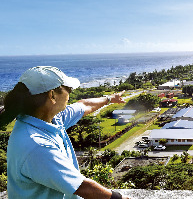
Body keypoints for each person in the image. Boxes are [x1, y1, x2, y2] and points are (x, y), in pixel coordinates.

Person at [0, 66, 131, 199]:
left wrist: (110, 98)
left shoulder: (50, 119)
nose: (70, 93)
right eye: (68, 89)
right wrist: (118, 198)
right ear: (52, 95)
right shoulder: (36, 144)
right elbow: (82, 187)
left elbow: (84, 105)